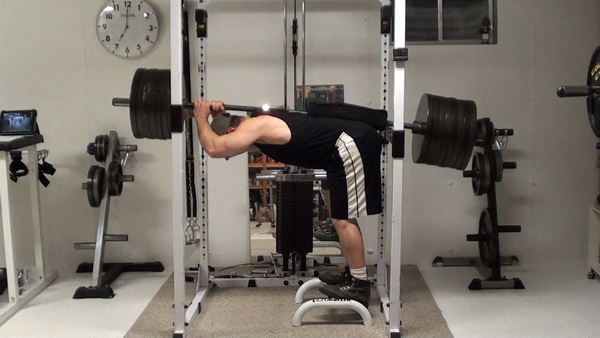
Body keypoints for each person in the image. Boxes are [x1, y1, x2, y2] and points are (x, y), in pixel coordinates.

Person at [193, 99, 385, 307]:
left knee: (343, 219)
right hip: (338, 150)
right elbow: (221, 140)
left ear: (232, 130)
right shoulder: (257, 127)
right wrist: (216, 117)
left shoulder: (254, 125)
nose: (233, 152)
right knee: (339, 215)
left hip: (350, 142)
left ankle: (358, 284)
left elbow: (213, 147)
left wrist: (200, 118)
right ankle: (353, 274)